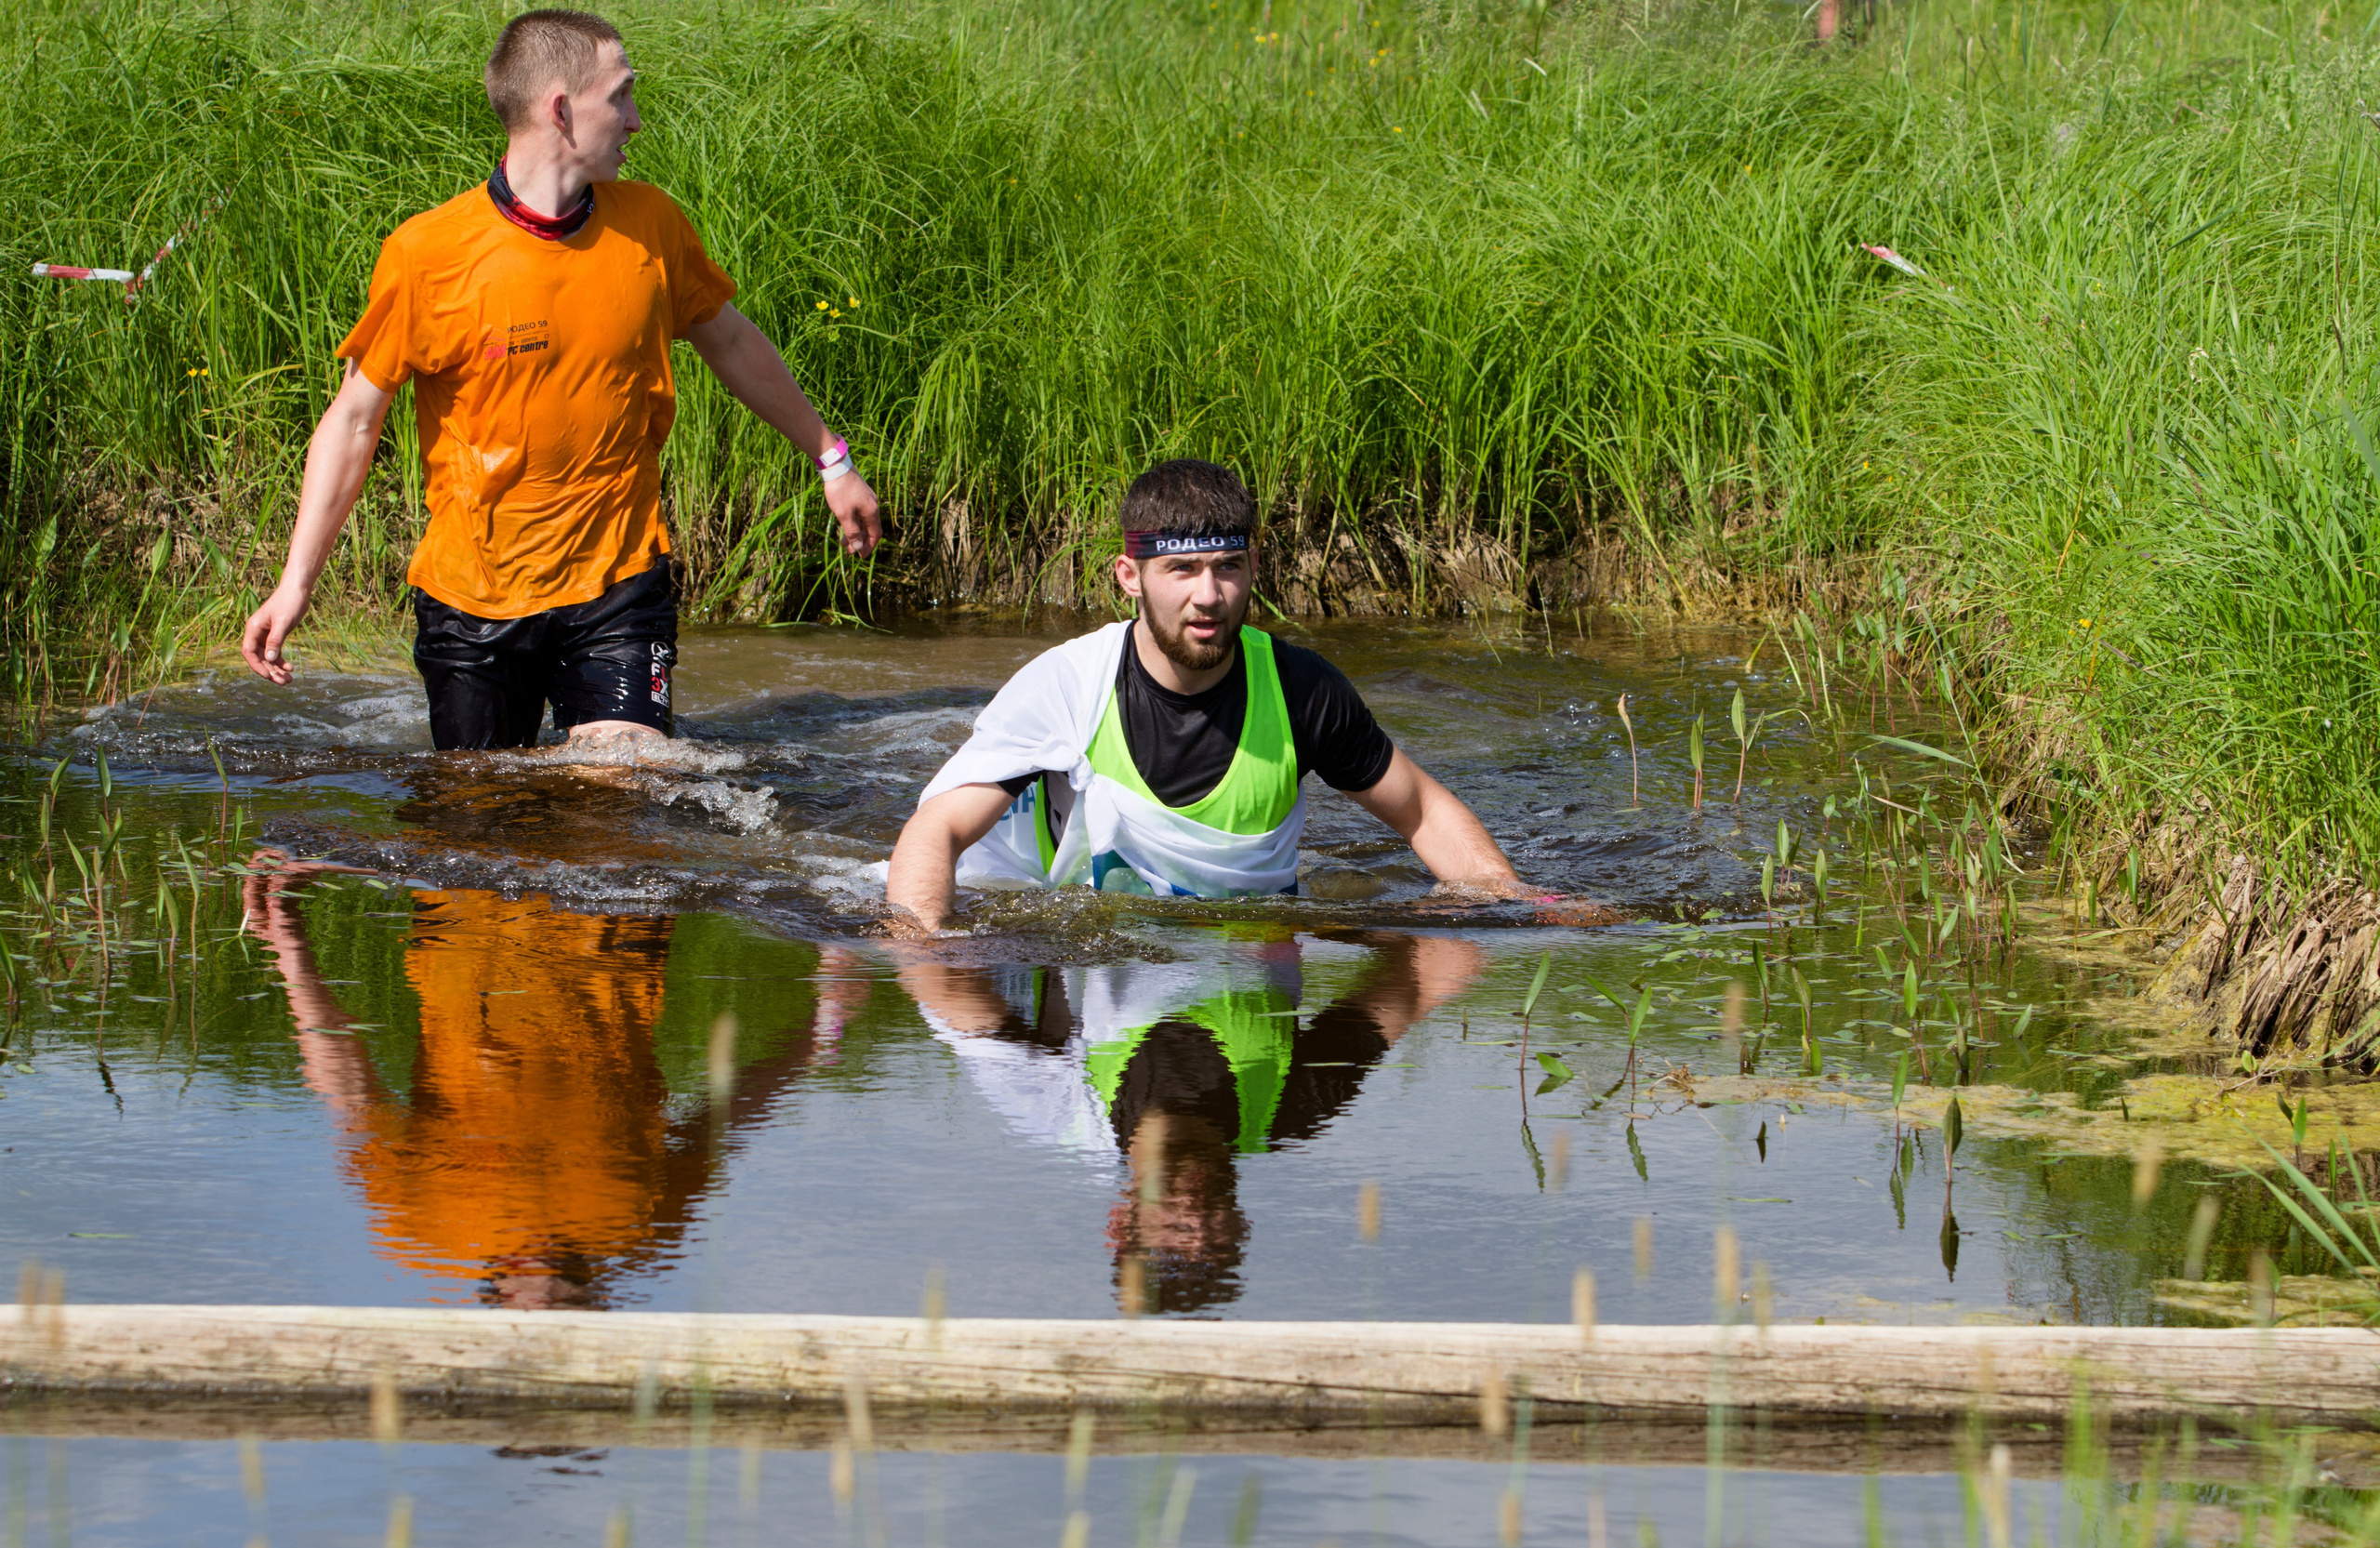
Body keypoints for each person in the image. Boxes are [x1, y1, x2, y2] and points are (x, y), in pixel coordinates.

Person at [238, 8, 881, 750]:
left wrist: (832, 459)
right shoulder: (428, 255)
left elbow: (732, 342)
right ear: (560, 110)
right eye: (621, 96)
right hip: (473, 598)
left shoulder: (652, 225)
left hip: (620, 583)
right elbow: (355, 420)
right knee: (484, 813)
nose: (635, 119)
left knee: (623, 788)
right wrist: (296, 583)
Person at [885, 458, 1552, 929]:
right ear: (1129, 576)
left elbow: (1422, 811)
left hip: (1250, 952)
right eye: (1181, 569)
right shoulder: (1066, 684)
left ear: (1253, 566)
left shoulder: (1302, 687)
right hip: (1086, 961)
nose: (1208, 596)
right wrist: (921, 949)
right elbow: (938, 827)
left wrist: (1512, 900)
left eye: (1227, 567)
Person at [243, 855, 868, 1307]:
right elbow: (719, 1123)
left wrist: (289, 944)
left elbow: (350, 1087)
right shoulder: (644, 1230)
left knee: (500, 779)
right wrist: (817, 1032)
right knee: (619, 772)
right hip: (617, 919)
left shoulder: (419, 1227)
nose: (545, 1312)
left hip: (469, 921)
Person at [898, 933, 1482, 1312]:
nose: (1201, 1221)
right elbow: (1432, 971)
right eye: (1220, 1240)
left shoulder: (1057, 1107)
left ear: (1120, 1222)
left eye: (1177, 1235)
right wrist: (1355, 927)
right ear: (1241, 1225)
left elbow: (934, 974)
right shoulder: (1291, 1108)